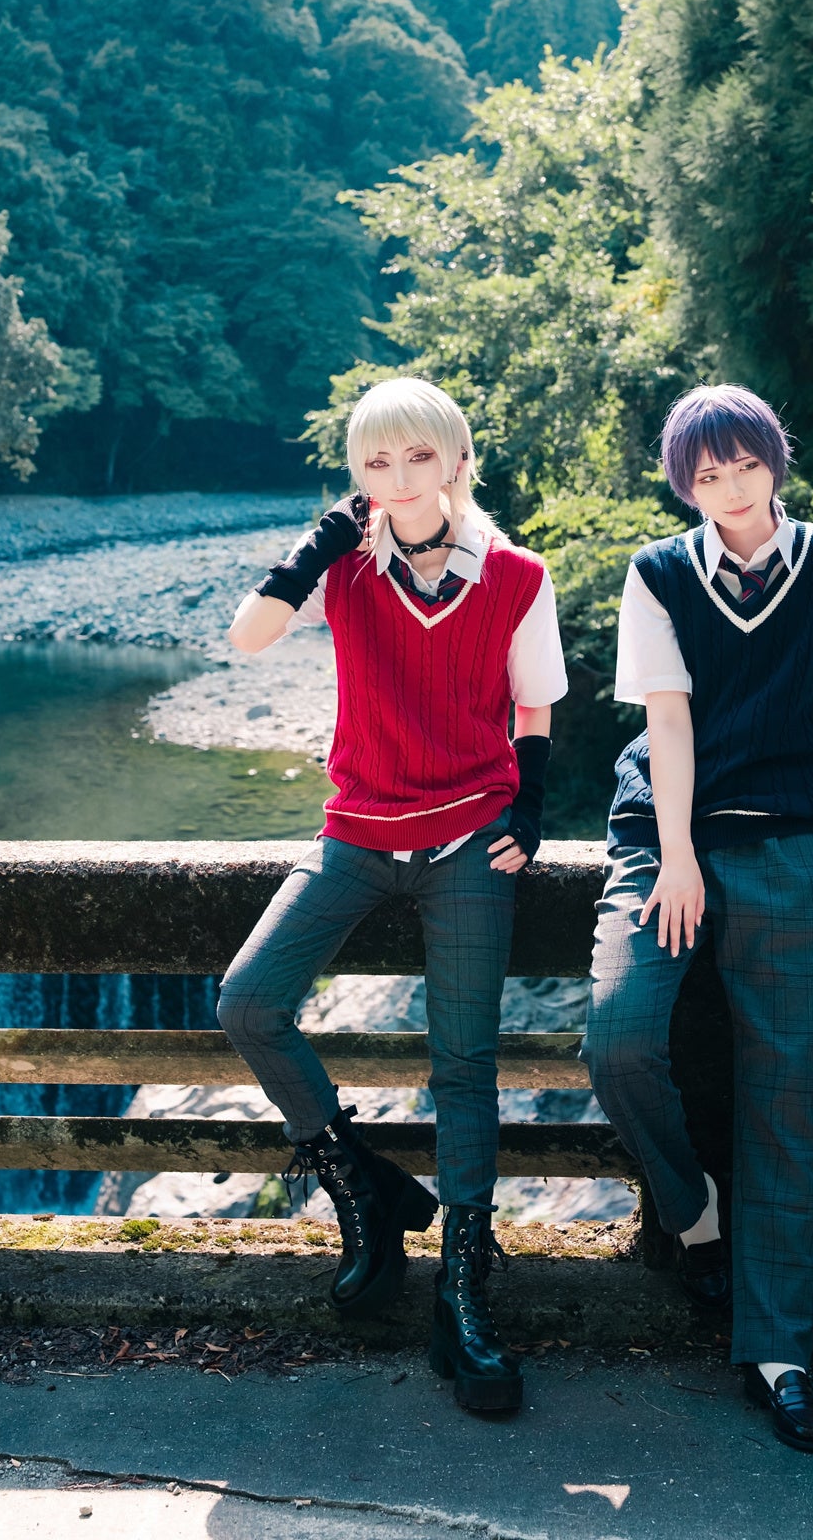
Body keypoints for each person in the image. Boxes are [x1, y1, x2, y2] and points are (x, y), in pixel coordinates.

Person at [582, 383, 813, 1454]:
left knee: (787, 1094)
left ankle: (780, 1353)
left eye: (745, 464)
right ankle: (689, 1205)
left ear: (773, 460)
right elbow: (669, 723)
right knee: (615, 1036)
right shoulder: (658, 572)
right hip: (665, 833)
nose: (731, 488)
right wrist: (679, 854)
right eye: (707, 475)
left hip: (791, 837)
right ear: (683, 485)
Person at [221, 375, 567, 1414]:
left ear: (457, 461)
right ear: (356, 475)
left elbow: (535, 704)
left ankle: (463, 1289)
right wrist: (316, 546)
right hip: (356, 833)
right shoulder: (346, 567)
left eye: (419, 456)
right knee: (248, 1000)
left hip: (467, 843)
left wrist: (528, 809)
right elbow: (246, 637)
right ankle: (359, 1182)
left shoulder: (515, 574)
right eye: (376, 462)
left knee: (463, 1064)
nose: (400, 477)